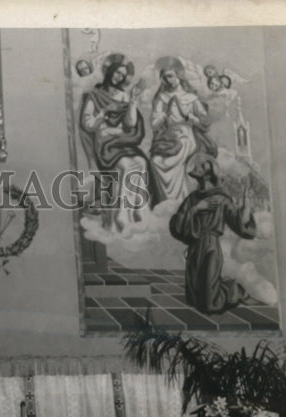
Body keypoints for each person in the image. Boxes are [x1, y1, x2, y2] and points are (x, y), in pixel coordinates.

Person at [78, 54, 160, 230]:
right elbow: (87, 124)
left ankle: (138, 212)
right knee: (129, 166)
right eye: (117, 73)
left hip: (120, 142)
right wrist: (103, 113)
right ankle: (120, 215)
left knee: (142, 163)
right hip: (104, 143)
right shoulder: (95, 95)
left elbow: (130, 123)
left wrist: (132, 101)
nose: (119, 77)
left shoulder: (124, 95)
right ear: (110, 72)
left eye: (123, 75)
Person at [169, 153, 256, 315]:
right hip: (195, 248)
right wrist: (196, 209)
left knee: (210, 304)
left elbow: (240, 224)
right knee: (193, 298)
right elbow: (178, 224)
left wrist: (247, 204)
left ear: (209, 174)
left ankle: (235, 290)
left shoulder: (221, 198)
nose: (197, 168)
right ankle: (222, 289)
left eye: (202, 166)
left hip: (210, 248)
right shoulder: (192, 199)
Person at [149, 57, 217, 203]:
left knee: (182, 159)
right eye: (164, 77)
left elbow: (206, 121)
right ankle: (166, 204)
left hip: (187, 138)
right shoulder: (162, 98)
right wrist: (162, 116)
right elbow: (154, 124)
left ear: (178, 76)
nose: (167, 80)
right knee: (156, 161)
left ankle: (183, 202)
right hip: (167, 139)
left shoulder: (191, 98)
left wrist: (194, 119)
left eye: (170, 76)